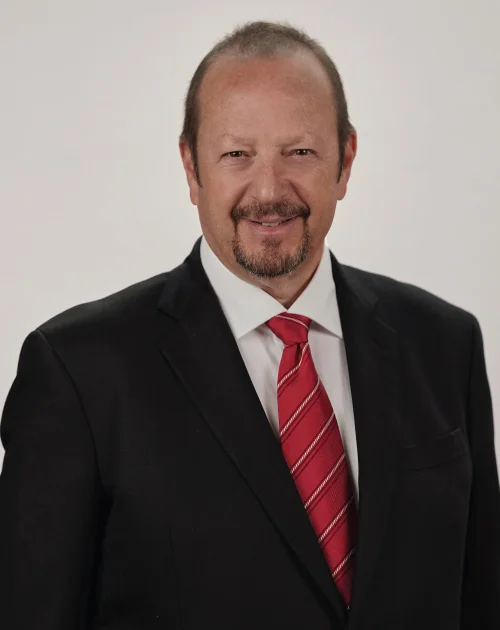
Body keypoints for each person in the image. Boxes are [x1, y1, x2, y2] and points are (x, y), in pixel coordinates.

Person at [0, 19, 499, 630]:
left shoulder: (445, 345)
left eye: (300, 152)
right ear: (191, 167)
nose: (268, 190)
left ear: (345, 161)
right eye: (237, 154)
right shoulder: (78, 372)